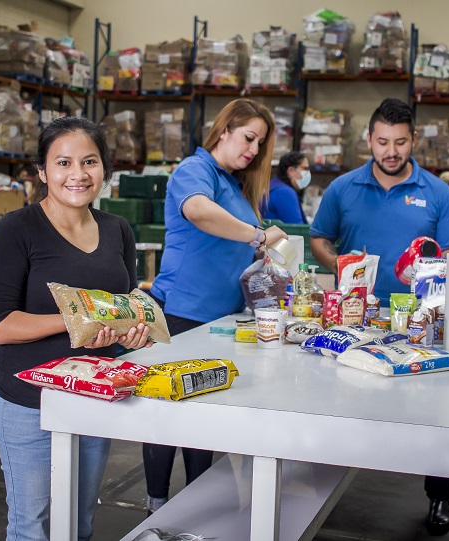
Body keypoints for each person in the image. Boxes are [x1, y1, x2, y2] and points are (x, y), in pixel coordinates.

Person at [0, 117, 152, 541]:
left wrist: (135, 332)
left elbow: (125, 306)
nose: (77, 174)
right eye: (63, 162)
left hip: (95, 398)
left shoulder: (118, 230)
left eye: (89, 162)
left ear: (105, 170)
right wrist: (80, 320)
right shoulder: (16, 230)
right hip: (30, 405)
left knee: (79, 523)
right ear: (43, 172)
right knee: (32, 528)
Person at [309, 97, 449, 536]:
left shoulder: (438, 193)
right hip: (357, 317)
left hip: (420, 321)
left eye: (400, 142)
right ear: (369, 140)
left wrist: (433, 268)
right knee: (339, 402)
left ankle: (440, 495)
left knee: (437, 411)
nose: (391, 151)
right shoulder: (342, 189)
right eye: (382, 142)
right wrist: (339, 263)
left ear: (413, 139)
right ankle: (322, 487)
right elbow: (319, 238)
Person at [146, 98, 287, 515]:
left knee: (203, 415)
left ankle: (196, 504)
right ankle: (156, 503)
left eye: (260, 143)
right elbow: (199, 212)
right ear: (224, 129)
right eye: (248, 137)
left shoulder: (236, 185)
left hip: (222, 320)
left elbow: (234, 247)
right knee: (164, 413)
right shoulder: (196, 170)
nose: (254, 150)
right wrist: (258, 237)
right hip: (182, 314)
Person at [259, 150, 309, 223]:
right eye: (305, 169)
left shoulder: (273, 185)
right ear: (291, 171)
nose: (308, 173)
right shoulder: (284, 192)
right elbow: (296, 228)